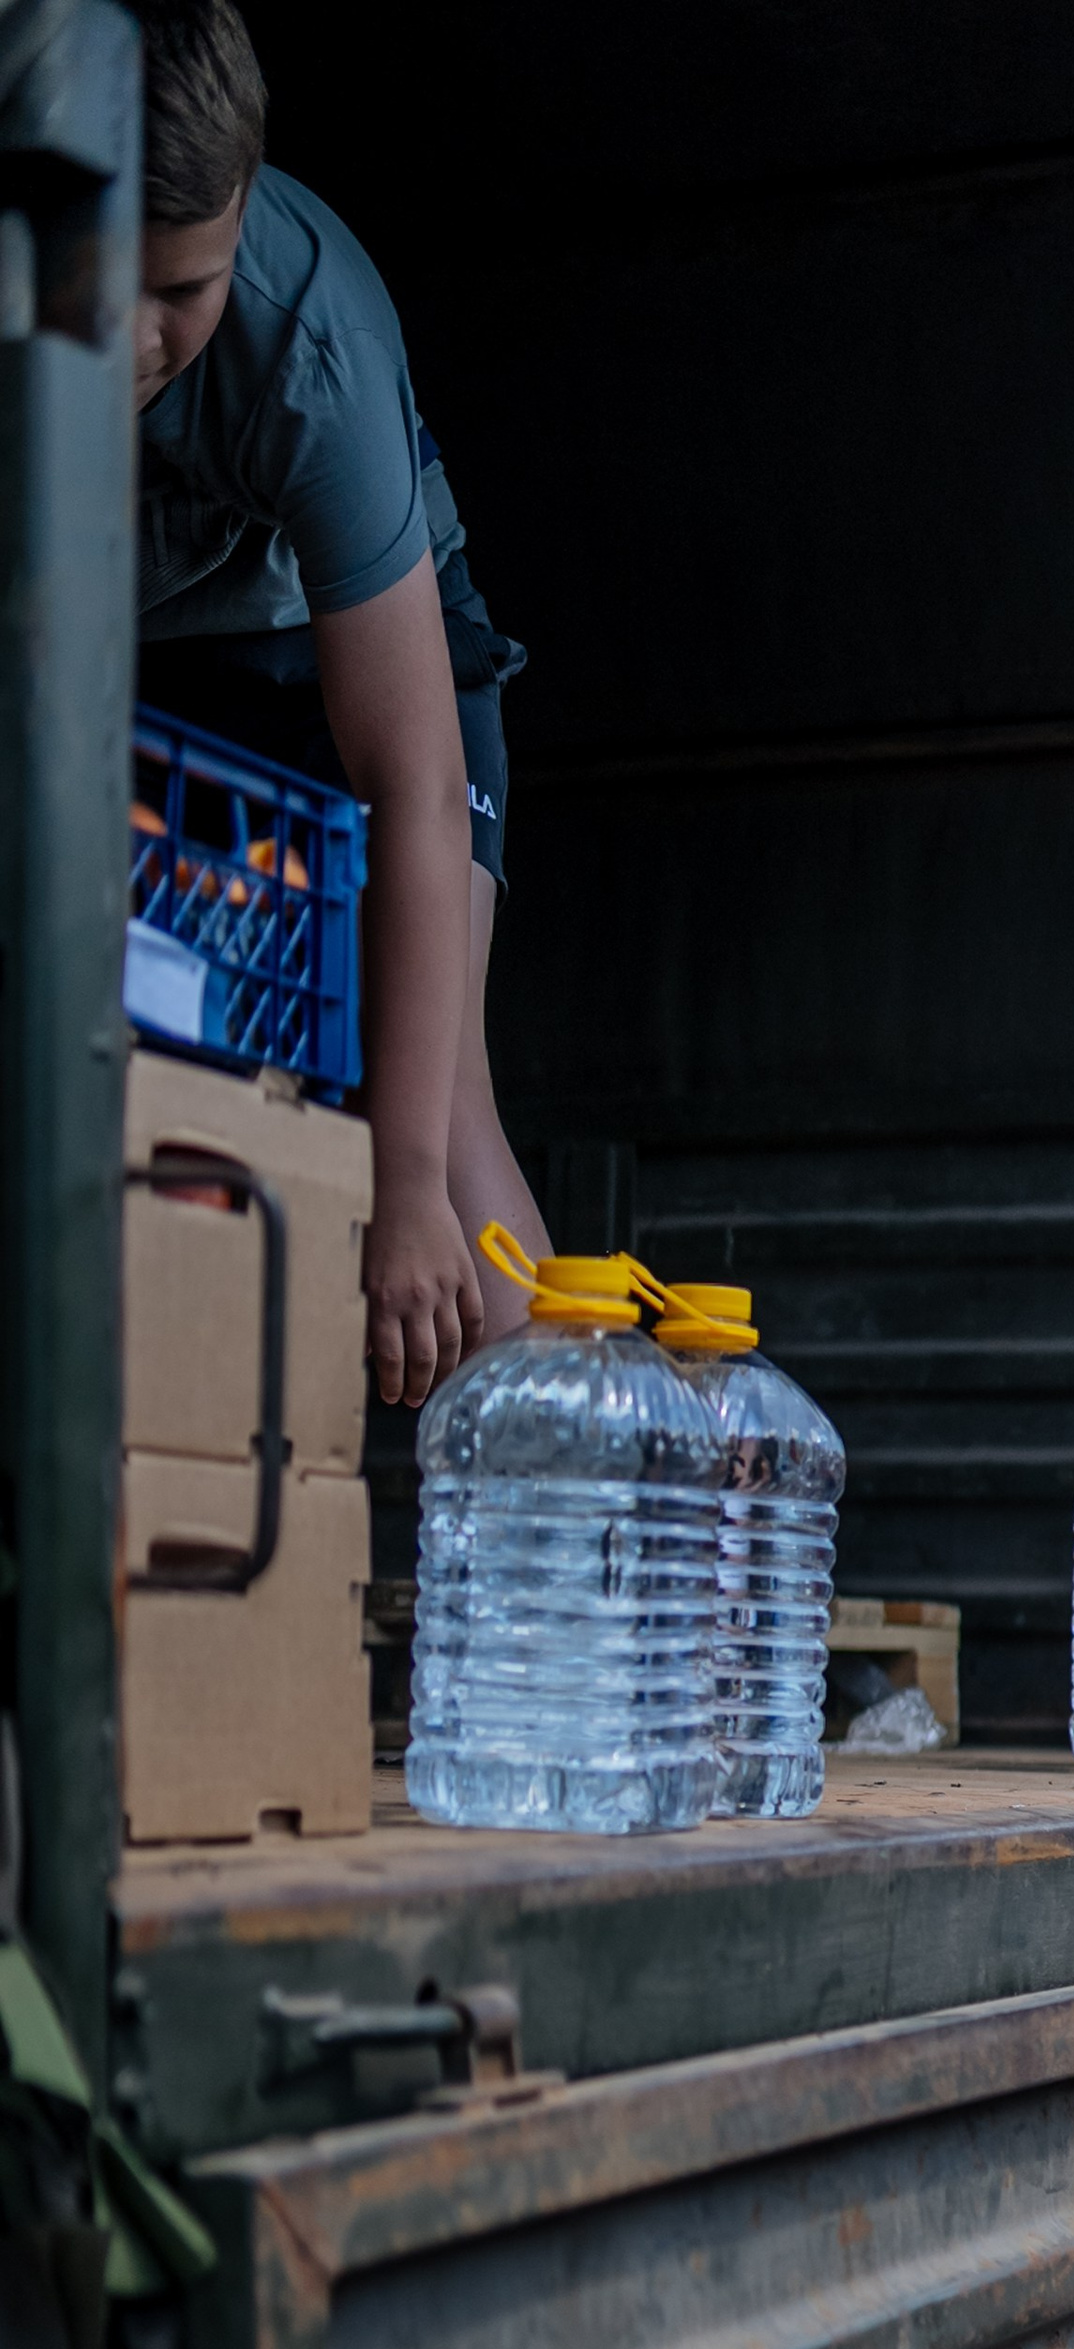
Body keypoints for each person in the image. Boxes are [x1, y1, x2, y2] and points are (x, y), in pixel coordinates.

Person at [130, 0, 550, 1405]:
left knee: (430, 1099)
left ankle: (565, 1555)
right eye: (103, 281)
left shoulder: (309, 337)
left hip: (365, 675)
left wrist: (409, 1185)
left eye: (179, 294)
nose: (134, 339)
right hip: (156, 686)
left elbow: (415, 783)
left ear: (240, 221)